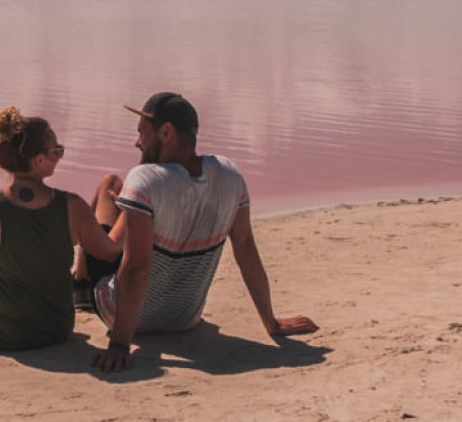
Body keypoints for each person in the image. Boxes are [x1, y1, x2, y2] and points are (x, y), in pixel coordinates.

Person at [89, 92, 318, 373]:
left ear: (166, 131)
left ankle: (79, 282)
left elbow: (136, 267)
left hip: (123, 317)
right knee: (132, 210)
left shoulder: (144, 178)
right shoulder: (230, 175)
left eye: (142, 133)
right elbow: (246, 249)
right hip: (186, 319)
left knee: (107, 185)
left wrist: (120, 345)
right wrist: (271, 322)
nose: (137, 142)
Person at [0, 107, 123, 352]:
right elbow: (110, 252)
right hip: (56, 329)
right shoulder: (72, 206)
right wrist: (130, 212)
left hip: (1, 334)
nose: (60, 156)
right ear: (39, 160)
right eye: (57, 151)